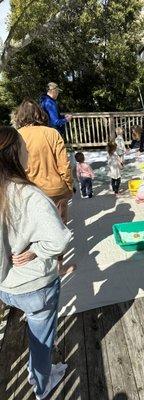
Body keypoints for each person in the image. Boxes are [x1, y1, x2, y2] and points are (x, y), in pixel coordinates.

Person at [0, 126, 71, 399]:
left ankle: (37, 373)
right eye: (24, 147)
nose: (28, 150)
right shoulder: (29, 195)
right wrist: (36, 250)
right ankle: (42, 385)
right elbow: (59, 241)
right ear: (15, 155)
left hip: (7, 286)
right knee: (41, 343)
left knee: (36, 334)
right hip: (35, 287)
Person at [15, 99, 76, 276]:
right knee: (58, 229)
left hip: (28, 192)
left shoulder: (16, 135)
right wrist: (68, 187)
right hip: (56, 190)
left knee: (31, 231)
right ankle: (58, 268)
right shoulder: (52, 133)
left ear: (20, 116)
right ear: (40, 114)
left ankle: (37, 269)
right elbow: (64, 165)